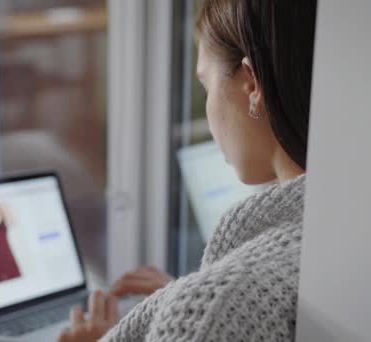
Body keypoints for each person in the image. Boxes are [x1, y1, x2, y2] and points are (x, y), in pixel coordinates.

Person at [58, 0, 316, 340]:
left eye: (206, 85)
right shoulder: (336, 235)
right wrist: (175, 305)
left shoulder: (220, 303)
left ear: (251, 85)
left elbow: (226, 311)